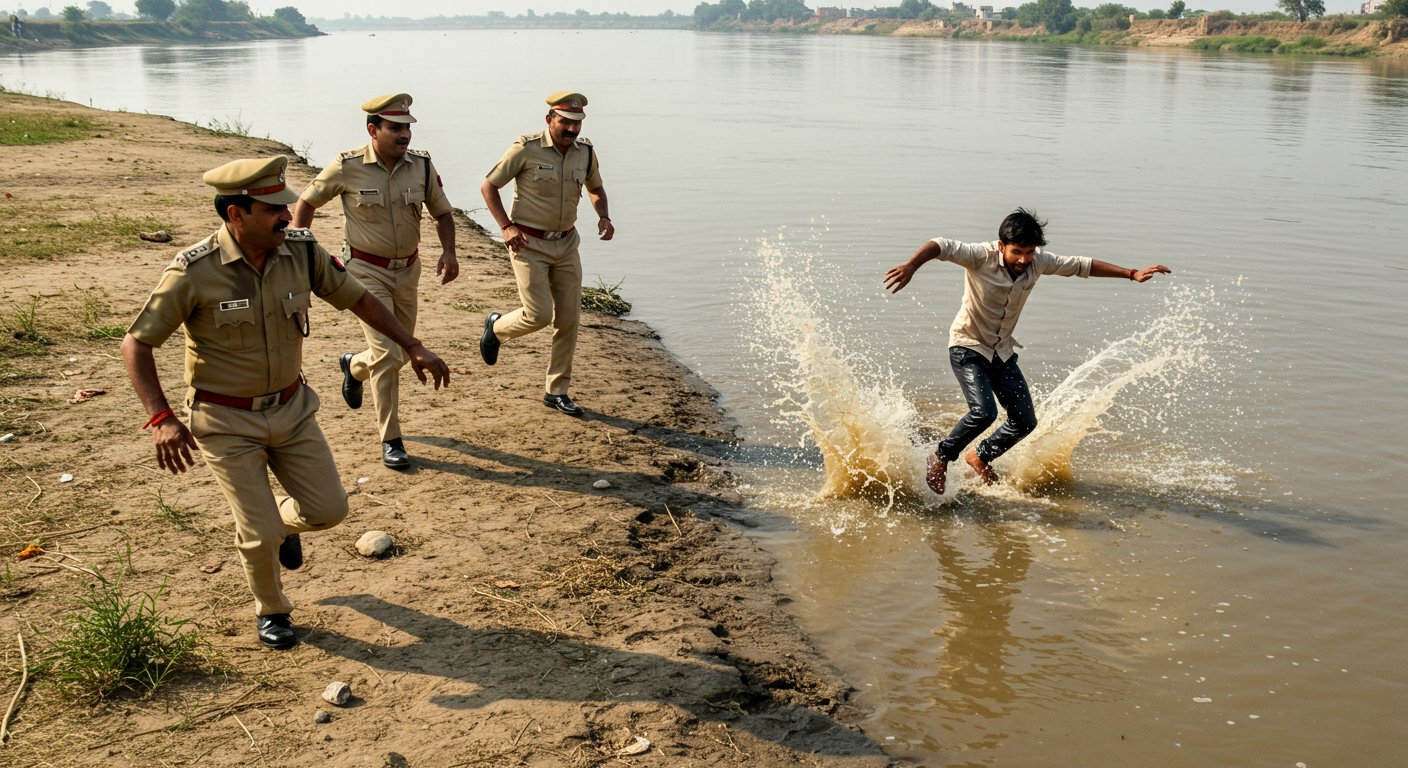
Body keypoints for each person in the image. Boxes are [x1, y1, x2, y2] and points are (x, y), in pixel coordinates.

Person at [122, 156, 450, 650]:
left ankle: (280, 522)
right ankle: (272, 610)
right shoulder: (195, 270)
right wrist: (162, 418)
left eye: (285, 203)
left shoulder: (301, 251)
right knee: (255, 534)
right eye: (273, 207)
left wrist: (412, 345)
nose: (287, 214)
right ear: (236, 214)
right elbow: (136, 343)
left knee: (329, 511)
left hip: (293, 411)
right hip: (225, 420)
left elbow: (359, 298)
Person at [883, 208, 1170, 495]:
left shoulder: (1038, 262)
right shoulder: (980, 256)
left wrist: (1131, 274)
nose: (1023, 260)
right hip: (967, 346)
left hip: (1001, 352)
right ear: (1001, 246)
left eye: (1029, 252)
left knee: (1024, 420)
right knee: (984, 413)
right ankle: (941, 455)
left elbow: (1082, 265)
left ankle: (980, 456)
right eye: (1017, 252)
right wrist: (911, 265)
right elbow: (940, 245)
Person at [293, 93, 458, 470]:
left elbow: (443, 213)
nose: (405, 136)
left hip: (408, 270)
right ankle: (392, 439)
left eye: (407, 128)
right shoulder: (346, 166)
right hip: (365, 271)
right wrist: (300, 249)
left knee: (401, 350)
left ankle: (352, 366)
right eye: (396, 128)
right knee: (389, 354)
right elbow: (307, 202)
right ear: (373, 129)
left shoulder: (422, 167)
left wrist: (449, 252)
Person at [478, 90, 614, 417]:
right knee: (538, 315)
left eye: (576, 123)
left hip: (567, 244)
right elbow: (488, 186)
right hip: (528, 244)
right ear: (549, 119)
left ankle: (557, 391)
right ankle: (495, 329)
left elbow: (595, 189)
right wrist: (506, 227)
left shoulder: (585, 153)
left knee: (568, 319)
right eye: (565, 122)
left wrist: (604, 216)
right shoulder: (525, 149)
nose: (571, 129)